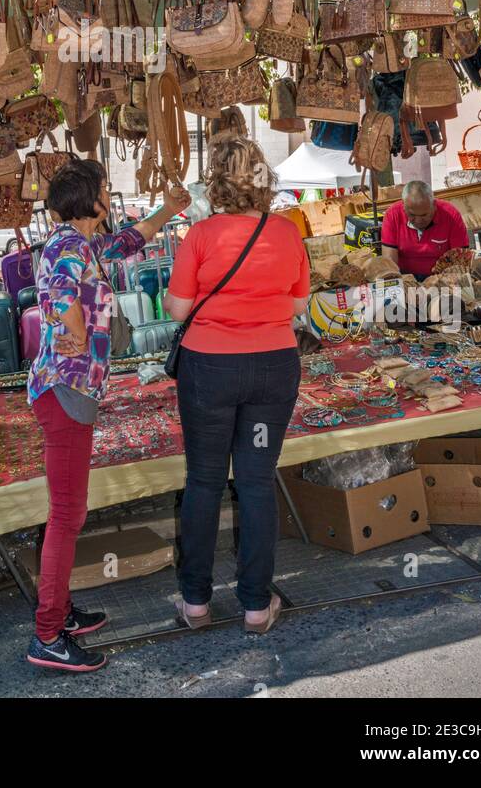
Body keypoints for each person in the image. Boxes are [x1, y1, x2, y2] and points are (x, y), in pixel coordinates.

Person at [25, 159, 189, 674]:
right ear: (88, 198)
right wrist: (71, 327)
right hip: (66, 391)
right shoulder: (67, 248)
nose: (110, 195)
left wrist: (169, 210)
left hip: (68, 389)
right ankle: (48, 634)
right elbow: (62, 300)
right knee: (67, 516)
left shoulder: (76, 242)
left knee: (67, 513)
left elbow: (127, 243)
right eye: (104, 189)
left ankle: (61, 614)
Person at [164, 133, 309, 635]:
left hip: (211, 372)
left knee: (204, 481)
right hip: (272, 371)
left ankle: (197, 603)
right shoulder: (288, 232)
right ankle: (254, 605)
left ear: (217, 182)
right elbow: (296, 307)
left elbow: (178, 310)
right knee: (255, 480)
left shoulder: (200, 236)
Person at [381, 182, 469, 280]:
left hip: (442, 278)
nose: (418, 221)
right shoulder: (392, 214)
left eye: (424, 215)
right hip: (404, 277)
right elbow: (389, 262)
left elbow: (460, 260)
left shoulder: (451, 215)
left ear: (434, 206)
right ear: (404, 207)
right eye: (412, 215)